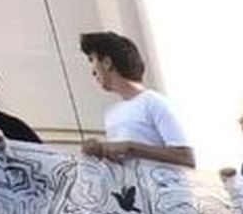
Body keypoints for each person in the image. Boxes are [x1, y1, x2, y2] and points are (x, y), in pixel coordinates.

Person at [79, 31, 192, 167]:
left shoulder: (154, 102)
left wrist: (130, 147)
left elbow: (186, 157)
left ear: (107, 63)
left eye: (92, 60)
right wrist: (99, 151)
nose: (92, 71)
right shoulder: (111, 114)